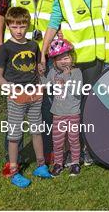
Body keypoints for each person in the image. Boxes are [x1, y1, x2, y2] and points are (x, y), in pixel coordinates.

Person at [0, 0, 57, 173]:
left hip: (45, 57)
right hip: (15, 59)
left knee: (45, 109)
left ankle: (45, 157)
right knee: (15, 111)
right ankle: (13, 162)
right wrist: (1, 46)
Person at [41, 0, 105, 165]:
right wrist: (43, 52)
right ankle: (68, 151)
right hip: (73, 62)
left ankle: (86, 149)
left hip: (96, 58)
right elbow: (53, 22)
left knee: (89, 105)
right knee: (70, 107)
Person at [0, 7, 53, 188]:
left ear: (27, 26)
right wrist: (10, 88)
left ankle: (41, 166)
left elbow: (37, 70)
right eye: (14, 27)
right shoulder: (5, 48)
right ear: (8, 27)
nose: (18, 31)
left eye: (22, 26)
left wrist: (42, 79)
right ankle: (14, 171)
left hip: (34, 95)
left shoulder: (33, 46)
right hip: (16, 97)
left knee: (36, 131)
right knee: (14, 134)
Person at [41, 38, 83, 176]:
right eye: (60, 59)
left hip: (73, 113)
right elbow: (46, 86)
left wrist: (67, 77)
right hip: (58, 113)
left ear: (71, 58)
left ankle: (75, 163)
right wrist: (40, 75)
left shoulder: (76, 72)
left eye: (66, 58)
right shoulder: (53, 73)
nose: (64, 61)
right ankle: (58, 163)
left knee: (73, 140)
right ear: (54, 62)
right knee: (57, 141)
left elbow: (77, 92)